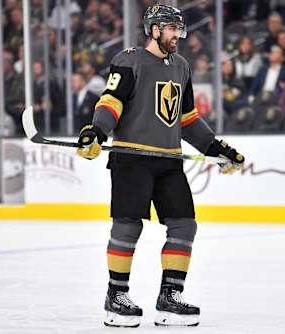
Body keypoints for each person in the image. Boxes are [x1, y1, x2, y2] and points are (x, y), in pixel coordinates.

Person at [76, 4, 245, 328]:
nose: (177, 34)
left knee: (184, 224)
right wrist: (96, 131)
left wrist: (216, 147)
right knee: (128, 226)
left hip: (169, 159)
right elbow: (111, 102)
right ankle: (116, 296)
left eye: (178, 29)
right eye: (170, 28)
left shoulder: (181, 66)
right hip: (133, 158)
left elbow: (187, 119)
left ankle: (170, 296)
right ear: (153, 30)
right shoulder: (129, 60)